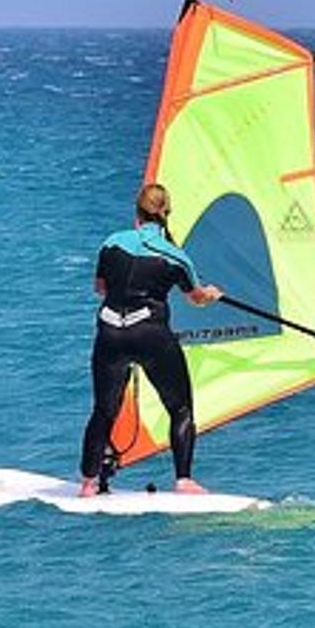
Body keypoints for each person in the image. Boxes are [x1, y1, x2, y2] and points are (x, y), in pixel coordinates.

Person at [78, 184, 222, 496]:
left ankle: (88, 483)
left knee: (103, 410)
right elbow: (195, 298)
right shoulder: (176, 256)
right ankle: (183, 480)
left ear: (137, 213)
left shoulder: (112, 243)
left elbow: (100, 288)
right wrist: (210, 294)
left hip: (111, 332)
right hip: (151, 336)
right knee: (180, 408)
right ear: (166, 213)